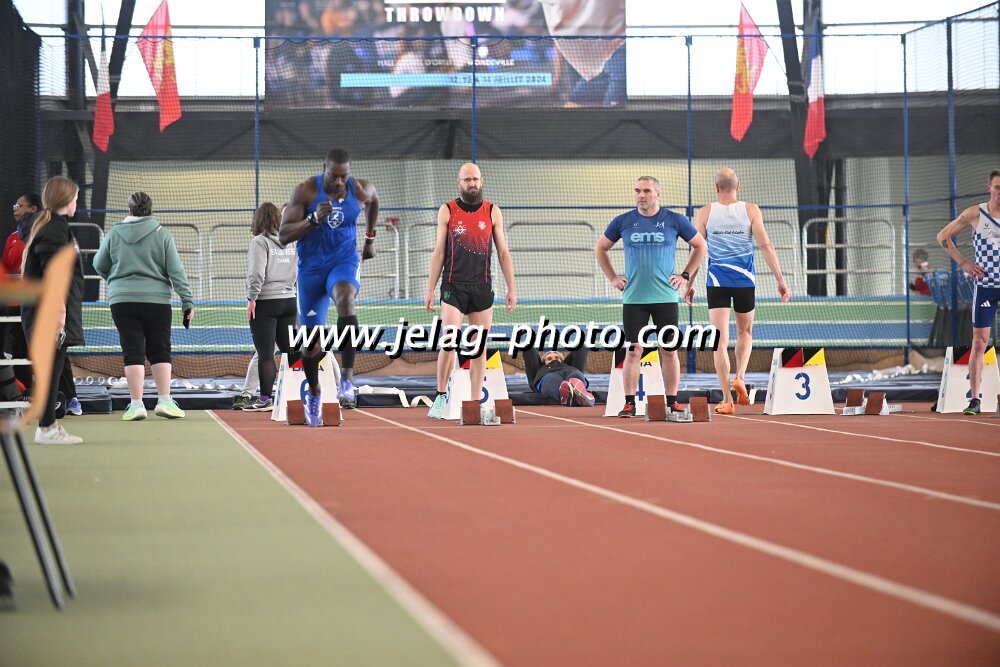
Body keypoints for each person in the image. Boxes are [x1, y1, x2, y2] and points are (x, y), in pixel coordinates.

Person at [279, 148, 379, 426]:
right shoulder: (306, 191)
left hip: (343, 261)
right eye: (334, 176)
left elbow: (374, 201)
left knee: (346, 299)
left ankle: (346, 378)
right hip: (311, 270)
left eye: (343, 176)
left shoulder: (359, 189)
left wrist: (370, 239)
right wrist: (312, 220)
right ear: (324, 168)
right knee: (310, 344)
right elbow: (283, 235)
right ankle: (314, 392)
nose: (338, 182)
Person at [595, 175, 707, 418]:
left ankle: (672, 402)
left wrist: (685, 275)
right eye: (637, 190)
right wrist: (613, 277)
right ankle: (629, 403)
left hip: (665, 298)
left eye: (646, 191)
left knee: (669, 349)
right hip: (634, 299)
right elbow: (600, 248)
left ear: (658, 194)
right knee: (633, 350)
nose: (641, 195)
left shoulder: (674, 220)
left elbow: (701, 246)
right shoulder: (623, 221)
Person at [686, 168, 791, 414]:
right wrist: (780, 280)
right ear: (738, 186)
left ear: (716, 188)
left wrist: (689, 282)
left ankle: (727, 399)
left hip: (717, 282)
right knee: (745, 332)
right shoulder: (750, 210)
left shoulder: (705, 212)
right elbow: (765, 244)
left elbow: (698, 249)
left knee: (719, 341)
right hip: (744, 281)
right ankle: (740, 376)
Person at [424, 162, 517, 420]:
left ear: (481, 181)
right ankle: (440, 396)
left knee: (479, 347)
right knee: (450, 341)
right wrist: (430, 289)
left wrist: (512, 288)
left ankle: (476, 402)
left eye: (475, 179)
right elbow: (439, 252)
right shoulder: (447, 210)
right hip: (453, 286)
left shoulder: (492, 211)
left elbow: (503, 252)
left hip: (481, 287)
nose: (472, 183)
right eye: (467, 180)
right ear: (459, 183)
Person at [93, 192, 194, 421]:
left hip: (122, 301)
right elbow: (176, 271)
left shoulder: (114, 234)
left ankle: (136, 404)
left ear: (128, 210)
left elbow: (99, 264)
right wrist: (187, 301)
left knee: (132, 351)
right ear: (151, 210)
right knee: (160, 349)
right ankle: (165, 401)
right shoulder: (162, 234)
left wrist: (116, 281)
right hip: (156, 301)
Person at [20, 176, 86, 444]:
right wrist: (59, 316)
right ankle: (46, 429)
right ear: (66, 199)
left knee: (53, 371)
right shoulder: (54, 229)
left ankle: (48, 426)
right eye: (76, 198)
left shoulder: (54, 226)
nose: (77, 203)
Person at [935, 169, 1000, 415]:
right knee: (979, 342)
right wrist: (964, 263)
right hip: (986, 288)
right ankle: (975, 399)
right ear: (989, 188)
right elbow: (943, 236)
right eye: (997, 188)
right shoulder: (976, 213)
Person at [245, 202, 299, 411]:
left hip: (266, 302)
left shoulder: (259, 241)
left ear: (258, 220)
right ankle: (298, 394)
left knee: (266, 354)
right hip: (289, 300)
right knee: (290, 351)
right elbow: (297, 268)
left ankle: (265, 399)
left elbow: (257, 273)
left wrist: (252, 298)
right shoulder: (292, 240)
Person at [2, 193, 39, 396]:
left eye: (20, 205)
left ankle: (62, 396)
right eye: (15, 205)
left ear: (33, 209)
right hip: (15, 305)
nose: (15, 208)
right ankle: (24, 393)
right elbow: (6, 268)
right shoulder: (12, 238)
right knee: (18, 349)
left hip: (37, 303)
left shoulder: (43, 235)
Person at [523, 347, 594, 406]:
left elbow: (581, 348)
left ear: (561, 360)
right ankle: (568, 394)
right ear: (543, 362)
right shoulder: (540, 370)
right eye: (549, 358)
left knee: (576, 375)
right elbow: (529, 351)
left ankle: (579, 392)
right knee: (556, 381)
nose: (554, 359)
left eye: (557, 357)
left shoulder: (569, 366)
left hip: (570, 372)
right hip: (548, 376)